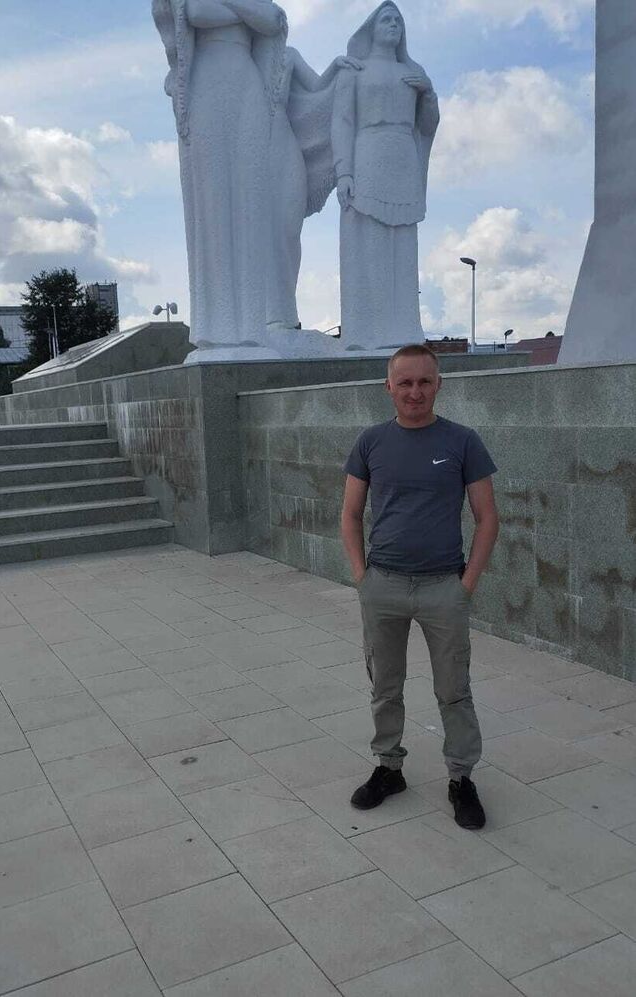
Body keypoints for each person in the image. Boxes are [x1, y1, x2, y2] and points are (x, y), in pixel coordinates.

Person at [340, 345, 499, 829]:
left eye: (424, 382)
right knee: (384, 686)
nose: (415, 392)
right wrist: (362, 578)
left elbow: (487, 518)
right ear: (388, 386)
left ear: (438, 385)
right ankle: (389, 769)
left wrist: (465, 585)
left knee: (454, 689)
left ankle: (461, 778)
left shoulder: (463, 441)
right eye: (405, 382)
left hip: (442, 588)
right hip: (383, 585)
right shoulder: (370, 442)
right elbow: (350, 514)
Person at [152, 0, 287, 359]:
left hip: (247, 86)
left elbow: (272, 21)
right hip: (207, 85)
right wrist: (246, 12)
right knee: (213, 206)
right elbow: (197, 13)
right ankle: (218, 327)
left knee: (250, 207)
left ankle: (251, 328)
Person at [331, 2, 439, 351]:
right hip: (369, 154)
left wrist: (428, 94)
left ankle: (404, 328)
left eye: (398, 21)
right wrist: (344, 171)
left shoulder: (413, 71)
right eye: (386, 20)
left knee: (404, 248)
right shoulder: (356, 70)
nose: (394, 24)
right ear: (372, 29)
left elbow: (426, 126)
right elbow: (342, 121)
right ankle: (369, 331)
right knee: (371, 244)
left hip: (403, 157)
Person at [267, 48, 362, 331]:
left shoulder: (287, 55)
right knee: (262, 235)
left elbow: (318, 87)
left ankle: (285, 311)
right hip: (252, 148)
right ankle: (267, 314)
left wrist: (334, 68)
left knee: (288, 229)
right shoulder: (243, 58)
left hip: (284, 145)